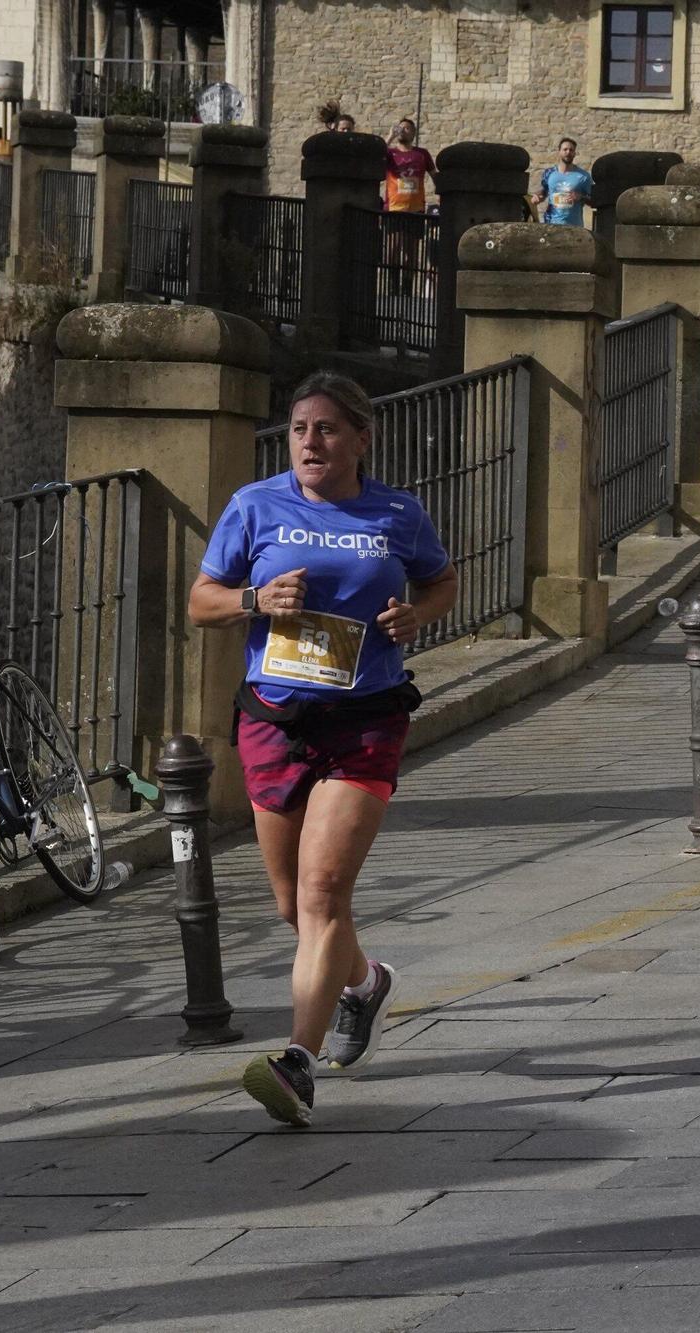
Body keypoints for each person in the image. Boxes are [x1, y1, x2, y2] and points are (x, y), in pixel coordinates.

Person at [190, 372, 460, 1128]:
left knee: (322, 895)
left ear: (360, 440)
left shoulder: (397, 512)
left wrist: (416, 615)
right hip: (275, 717)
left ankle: (296, 1062)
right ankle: (366, 983)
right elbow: (200, 599)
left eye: (328, 429)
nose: (311, 441)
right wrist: (255, 600)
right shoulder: (254, 505)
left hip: (365, 719)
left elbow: (442, 581)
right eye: (301, 428)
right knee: (291, 904)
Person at [532, 137, 593, 227]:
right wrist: (537, 196)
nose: (568, 152)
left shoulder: (583, 176)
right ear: (559, 152)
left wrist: (580, 197)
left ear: (574, 153)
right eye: (565, 149)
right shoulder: (549, 173)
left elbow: (594, 201)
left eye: (571, 150)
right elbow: (544, 191)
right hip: (551, 223)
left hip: (574, 226)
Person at [384, 119, 439, 215]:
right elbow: (376, 154)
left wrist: (440, 194)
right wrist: (390, 136)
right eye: (400, 128)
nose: (402, 130)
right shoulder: (390, 153)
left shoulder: (422, 154)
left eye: (406, 128)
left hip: (416, 209)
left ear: (413, 133)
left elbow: (435, 176)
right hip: (393, 208)